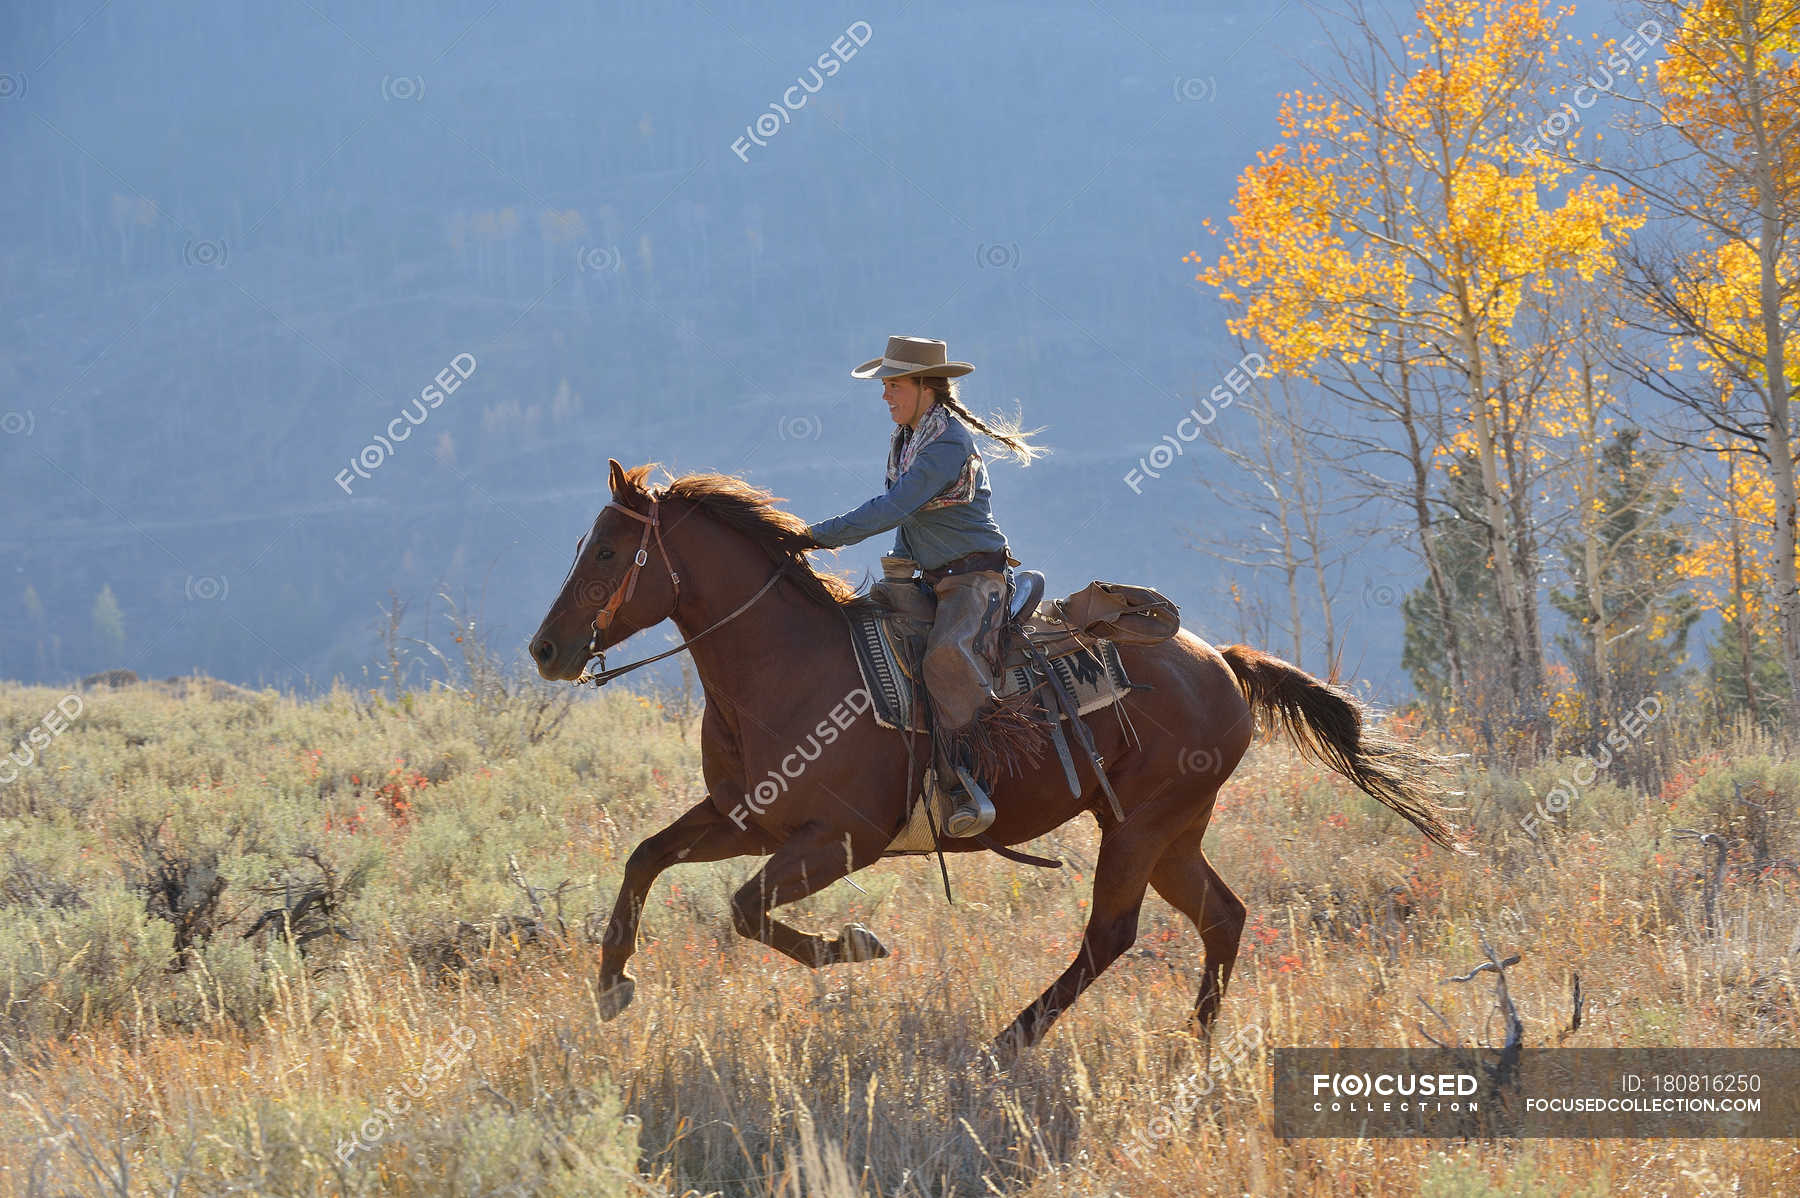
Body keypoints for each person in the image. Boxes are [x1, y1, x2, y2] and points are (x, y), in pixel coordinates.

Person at [801, 336, 1045, 837]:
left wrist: (813, 537)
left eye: (893, 385)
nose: (886, 396)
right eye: (886, 386)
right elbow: (908, 516)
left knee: (944, 659)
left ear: (924, 387)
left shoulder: (948, 442)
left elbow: (894, 506)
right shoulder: (909, 437)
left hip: (974, 579)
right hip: (930, 577)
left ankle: (965, 785)